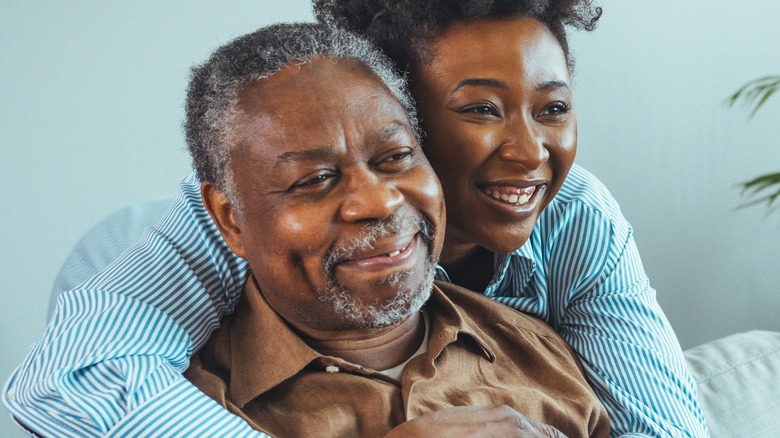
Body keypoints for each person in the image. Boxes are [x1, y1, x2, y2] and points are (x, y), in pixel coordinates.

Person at [3, 1, 707, 437]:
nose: (529, 153)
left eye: (552, 108)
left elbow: (667, 425)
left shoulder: (575, 215)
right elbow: (72, 376)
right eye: (479, 109)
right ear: (390, 107)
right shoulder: (220, 227)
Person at [178, 22, 610, 437]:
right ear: (229, 218)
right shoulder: (188, 407)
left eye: (396, 156)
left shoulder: (543, 359)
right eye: (314, 179)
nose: (380, 201)